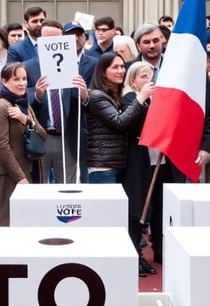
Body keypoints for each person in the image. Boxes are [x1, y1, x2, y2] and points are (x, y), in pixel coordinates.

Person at [25, 21, 95, 184]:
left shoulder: (75, 67)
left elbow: (87, 107)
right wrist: (37, 96)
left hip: (67, 138)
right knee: (39, 187)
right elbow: (23, 104)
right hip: (40, 137)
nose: (52, 43)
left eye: (57, 38)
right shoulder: (28, 67)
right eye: (47, 39)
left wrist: (84, 95)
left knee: (67, 188)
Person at [0, 63, 46, 226]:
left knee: (29, 221)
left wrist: (25, 119)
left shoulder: (25, 105)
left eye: (24, 79)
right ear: (5, 81)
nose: (22, 83)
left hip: (32, 168)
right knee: (9, 221)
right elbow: (2, 146)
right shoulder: (0, 107)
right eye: (16, 79)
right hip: (11, 174)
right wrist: (20, 177)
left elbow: (43, 135)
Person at [86, 52, 153, 183]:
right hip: (103, 165)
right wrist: (141, 97)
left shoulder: (115, 96)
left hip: (117, 163)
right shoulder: (97, 96)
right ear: (103, 72)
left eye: (122, 66)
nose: (121, 71)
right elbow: (119, 122)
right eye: (115, 67)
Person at [119, 61, 157, 277]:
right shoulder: (130, 98)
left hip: (153, 157)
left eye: (150, 76)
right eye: (143, 76)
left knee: (145, 207)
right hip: (135, 156)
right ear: (133, 80)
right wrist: (142, 98)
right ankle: (134, 254)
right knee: (135, 210)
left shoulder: (153, 99)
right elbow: (132, 124)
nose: (148, 80)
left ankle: (139, 255)